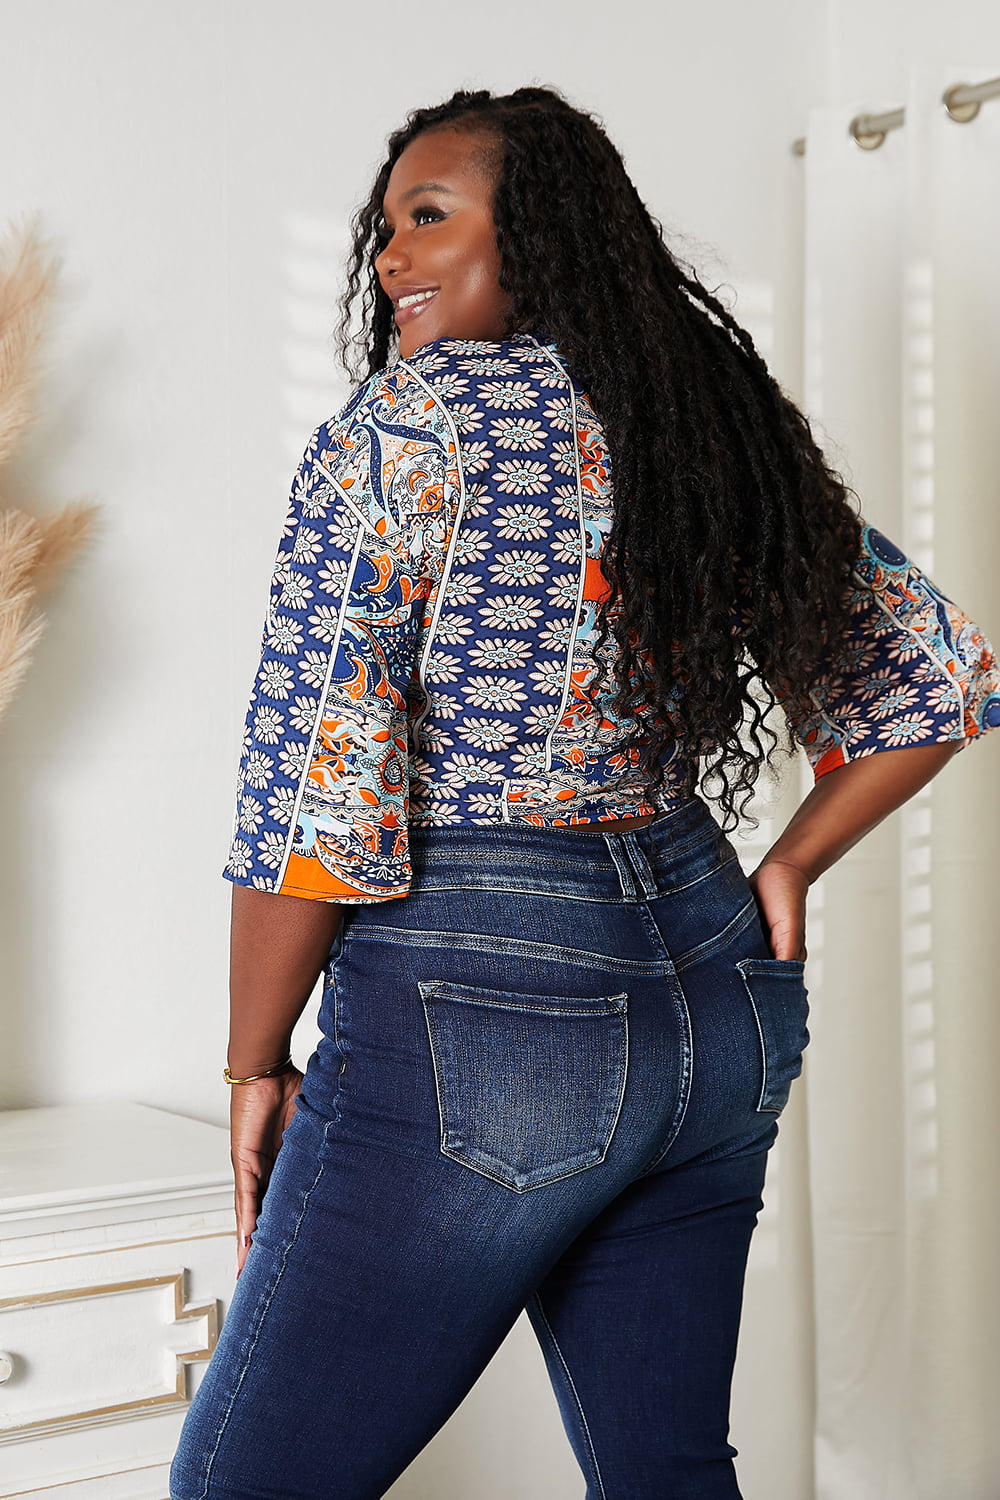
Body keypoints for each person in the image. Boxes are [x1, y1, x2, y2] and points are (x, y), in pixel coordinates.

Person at [170, 87, 999, 1500]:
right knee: (669, 1475)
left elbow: (316, 779)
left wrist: (255, 1064)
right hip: (714, 1001)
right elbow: (937, 678)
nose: (390, 259)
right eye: (382, 232)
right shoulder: (703, 423)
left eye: (430, 216)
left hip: (489, 1012)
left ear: (539, 237)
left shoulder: (407, 433)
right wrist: (785, 864)